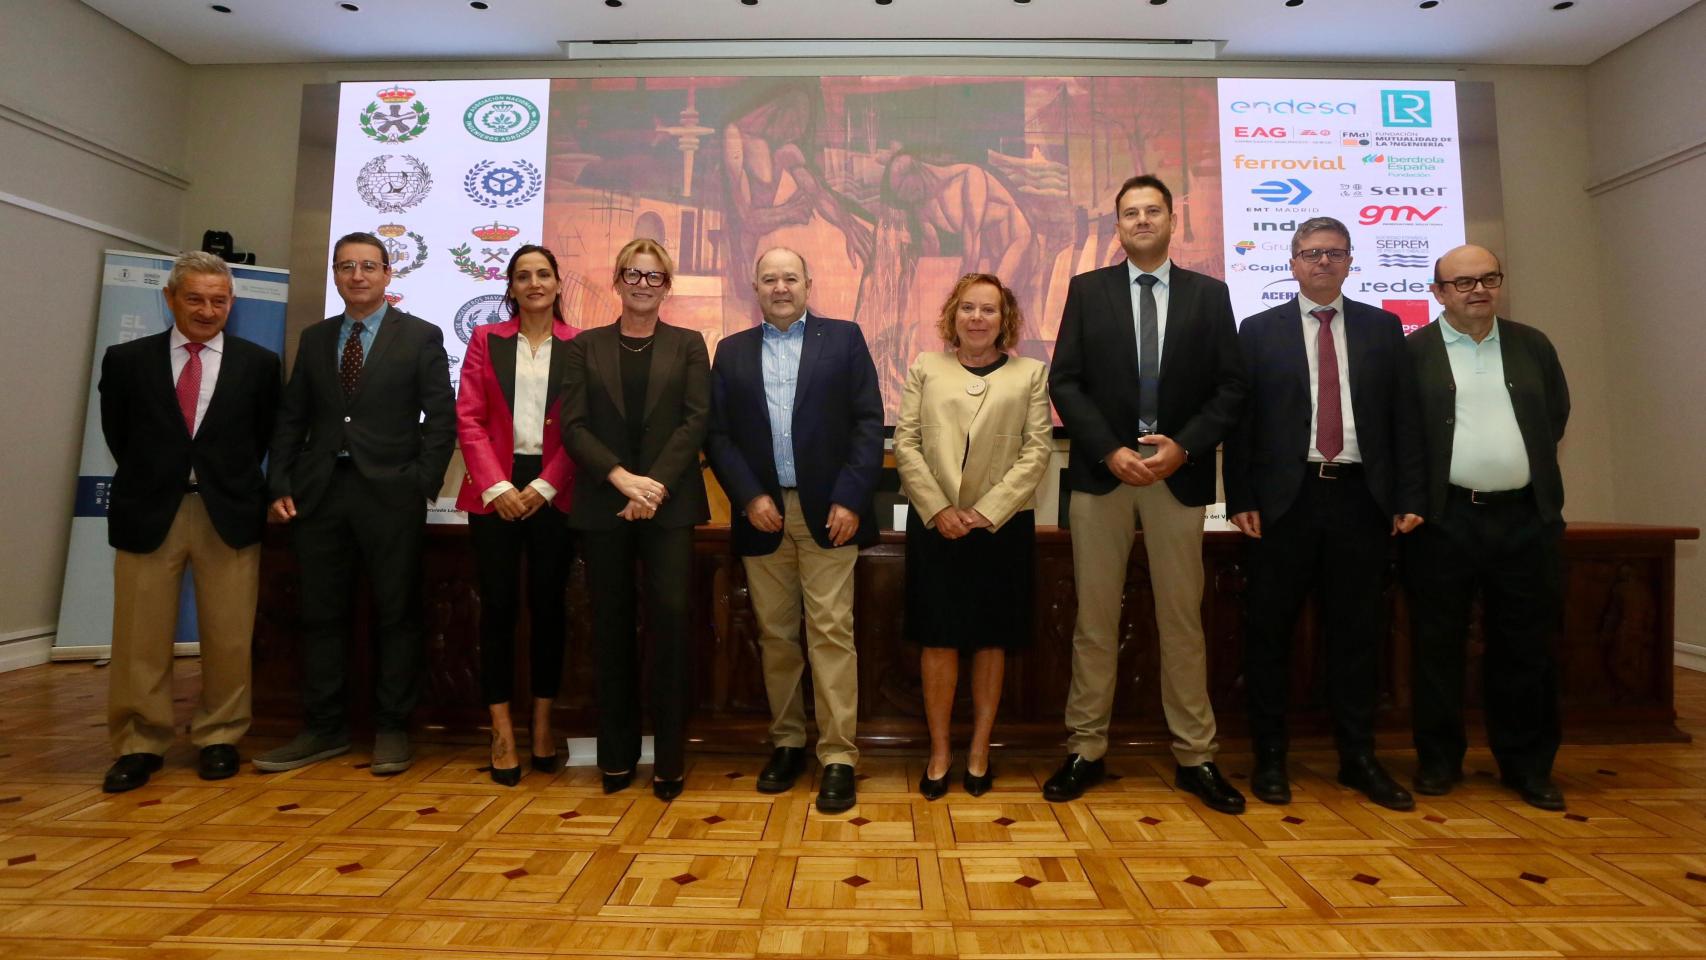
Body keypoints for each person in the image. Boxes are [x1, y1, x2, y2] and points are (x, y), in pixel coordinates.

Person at [1046, 174, 1248, 813]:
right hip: (1103, 475)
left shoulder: (1209, 295)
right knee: (1094, 619)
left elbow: (1231, 388)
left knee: (1182, 620)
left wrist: (1183, 447)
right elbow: (1065, 381)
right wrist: (1111, 449)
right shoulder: (1088, 290)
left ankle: (1196, 756)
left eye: (1152, 211)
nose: (1141, 221)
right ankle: (1086, 749)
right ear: (1117, 226)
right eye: (1130, 213)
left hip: (1175, 477)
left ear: (1171, 221)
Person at [1223, 217, 1425, 810]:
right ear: (1292, 262)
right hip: (1284, 502)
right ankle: (1270, 758)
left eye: (1334, 253)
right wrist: (1241, 498)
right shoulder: (1258, 330)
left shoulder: (1383, 328)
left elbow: (1405, 418)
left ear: (1350, 261)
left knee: (1358, 635)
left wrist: (1409, 496)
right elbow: (1242, 423)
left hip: (1361, 500)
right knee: (1269, 635)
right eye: (1311, 253)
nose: (1323, 263)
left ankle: (1358, 758)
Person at [256, 231, 455, 776]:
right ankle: (324, 727)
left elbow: (441, 417)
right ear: (335, 275)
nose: (358, 276)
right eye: (347, 266)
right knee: (320, 613)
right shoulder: (317, 338)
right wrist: (280, 483)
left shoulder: (420, 335)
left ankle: (392, 727)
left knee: (397, 613)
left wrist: (422, 482)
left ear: (388, 274)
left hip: (391, 494)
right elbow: (292, 416)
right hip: (321, 493)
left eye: (369, 266)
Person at [704, 247, 884, 814]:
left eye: (789, 278)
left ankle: (838, 757)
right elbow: (718, 435)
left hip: (831, 513)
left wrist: (851, 498)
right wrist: (749, 497)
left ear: (808, 283)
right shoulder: (731, 351)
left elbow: (868, 423)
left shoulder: (845, 339)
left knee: (831, 633)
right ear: (754, 287)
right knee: (776, 636)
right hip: (763, 514)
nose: (780, 287)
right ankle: (786, 744)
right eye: (769, 279)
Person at [96, 252, 280, 792]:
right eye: (195, 298)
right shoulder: (127, 360)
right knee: (140, 635)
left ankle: (219, 735)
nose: (206, 310)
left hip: (229, 511)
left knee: (229, 634)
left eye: (218, 300)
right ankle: (139, 743)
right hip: (150, 509)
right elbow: (118, 435)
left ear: (232, 303)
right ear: (170, 298)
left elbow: (263, 435)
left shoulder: (259, 364)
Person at [1405, 243, 1571, 811]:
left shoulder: (1533, 345)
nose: (1478, 290)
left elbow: (1555, 417)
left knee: (1525, 648)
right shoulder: (1414, 353)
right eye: (1463, 282)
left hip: (1525, 520)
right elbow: (1400, 433)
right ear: (1438, 293)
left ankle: (1527, 766)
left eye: (1488, 278)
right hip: (1444, 520)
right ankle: (1438, 761)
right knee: (1437, 647)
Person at [892, 273, 1051, 799]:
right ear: (952, 315)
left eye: (988, 309)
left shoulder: (1031, 373)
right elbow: (906, 443)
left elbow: (1037, 451)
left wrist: (986, 511)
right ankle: (939, 752)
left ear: (1004, 319)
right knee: (937, 638)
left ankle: (980, 751)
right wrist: (939, 508)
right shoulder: (925, 366)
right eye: (967, 308)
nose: (977, 318)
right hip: (935, 524)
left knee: (991, 639)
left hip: (1000, 527)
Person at [560, 238, 709, 802]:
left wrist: (654, 487)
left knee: (670, 629)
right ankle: (617, 756)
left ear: (667, 286)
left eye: (654, 277)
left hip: (669, 507)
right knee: (611, 629)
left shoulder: (689, 344)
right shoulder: (585, 346)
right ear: (617, 281)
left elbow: (695, 421)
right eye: (633, 274)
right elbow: (573, 426)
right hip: (606, 504)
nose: (643, 285)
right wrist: (622, 479)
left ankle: (669, 760)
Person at [455, 245, 578, 786]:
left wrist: (547, 485)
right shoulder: (486, 340)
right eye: (523, 276)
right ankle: (501, 729)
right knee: (498, 609)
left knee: (549, 608)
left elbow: (581, 424)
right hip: (494, 489)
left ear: (557, 284)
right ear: (511, 287)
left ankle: (543, 724)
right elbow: (469, 418)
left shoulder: (579, 345)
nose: (534, 283)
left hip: (557, 488)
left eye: (543, 274)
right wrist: (498, 486)